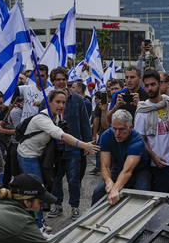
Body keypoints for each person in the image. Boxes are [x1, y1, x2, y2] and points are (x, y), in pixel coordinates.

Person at [17, 89, 99, 231]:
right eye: (57, 102)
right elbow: (62, 135)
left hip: (39, 155)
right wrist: (83, 144)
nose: (61, 105)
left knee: (39, 188)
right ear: (49, 102)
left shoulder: (57, 118)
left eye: (63, 102)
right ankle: (39, 226)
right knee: (37, 189)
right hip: (27, 155)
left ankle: (37, 221)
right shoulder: (43, 118)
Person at [47, 68, 93, 220]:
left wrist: (87, 143)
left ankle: (75, 207)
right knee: (56, 179)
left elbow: (84, 123)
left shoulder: (78, 99)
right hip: (54, 148)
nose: (61, 82)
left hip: (74, 147)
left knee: (74, 179)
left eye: (63, 79)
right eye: (58, 79)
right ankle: (57, 205)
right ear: (52, 81)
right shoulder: (47, 100)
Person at [92, 109, 151, 205]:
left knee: (140, 195)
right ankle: (93, 218)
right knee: (98, 192)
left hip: (139, 170)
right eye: (115, 128)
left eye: (121, 129)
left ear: (130, 127)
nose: (117, 133)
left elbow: (127, 171)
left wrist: (115, 189)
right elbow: (105, 166)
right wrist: (109, 183)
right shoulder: (107, 135)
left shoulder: (137, 140)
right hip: (118, 167)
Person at [134, 70, 169, 193]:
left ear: (160, 85)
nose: (150, 88)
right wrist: (154, 157)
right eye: (147, 86)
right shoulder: (143, 110)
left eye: (153, 84)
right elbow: (141, 139)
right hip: (157, 164)